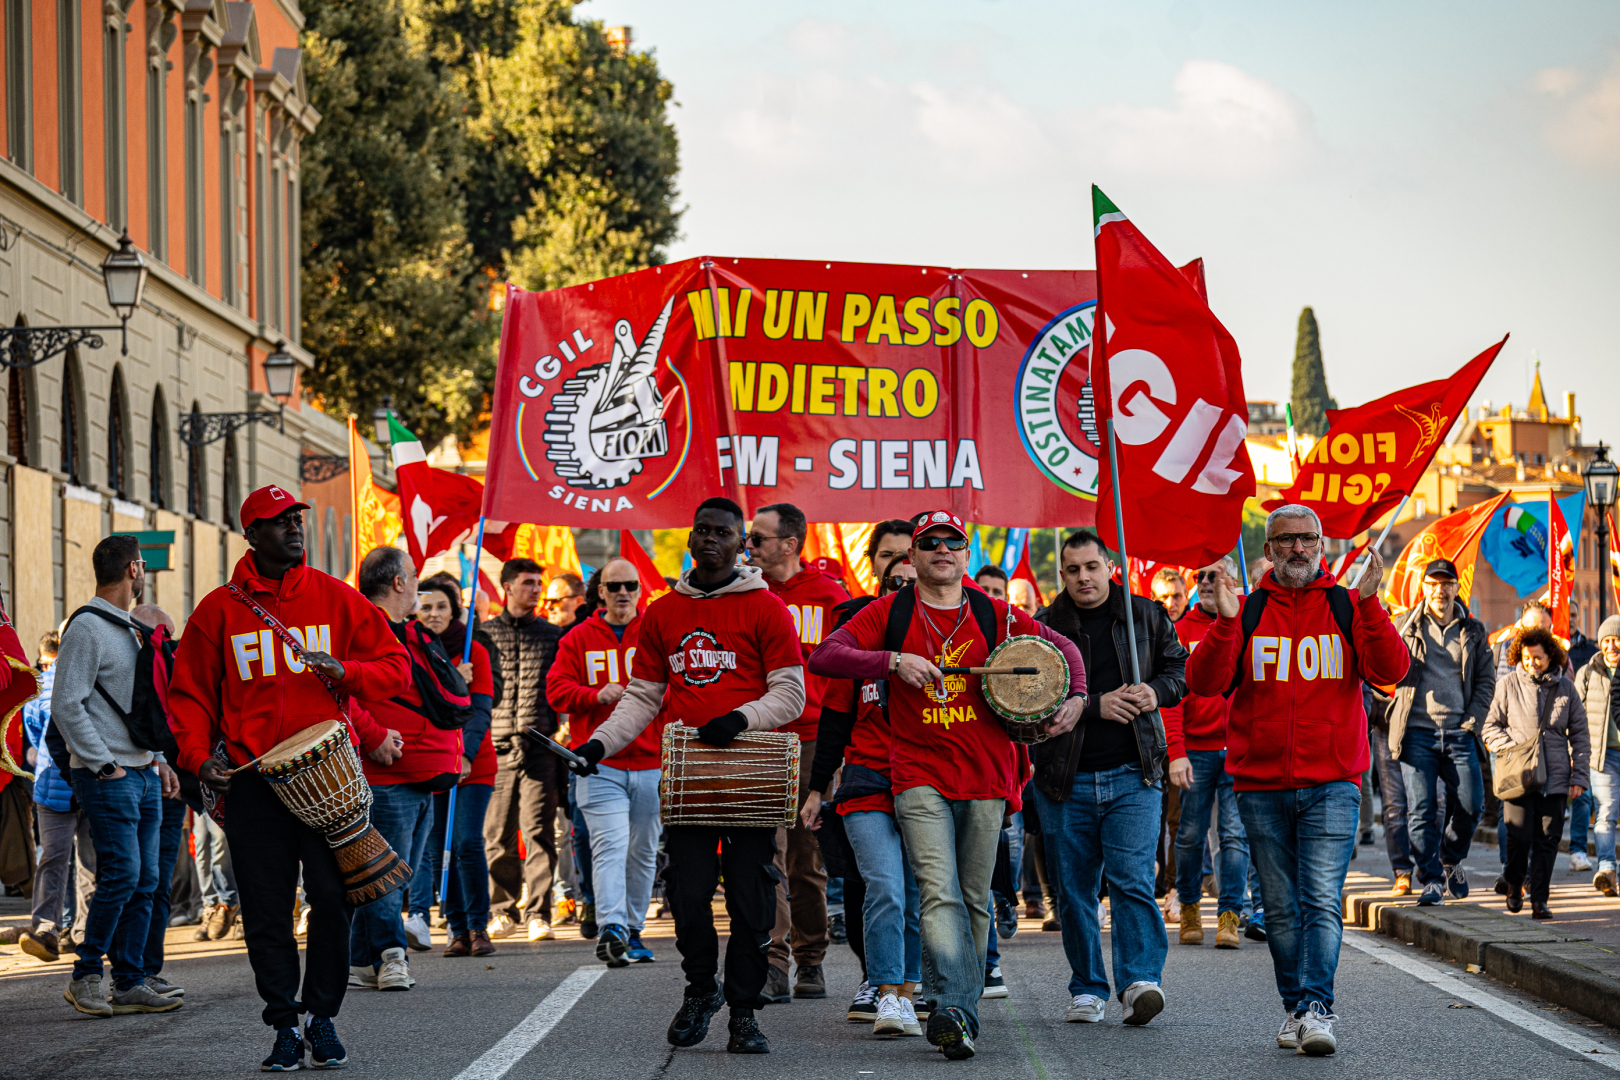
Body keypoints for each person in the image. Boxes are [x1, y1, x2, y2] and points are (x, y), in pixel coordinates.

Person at [810, 510, 1085, 1059]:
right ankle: (949, 1007)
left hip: (985, 774)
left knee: (974, 895)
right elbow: (825, 656)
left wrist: (1075, 698)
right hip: (917, 774)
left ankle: (961, 1005)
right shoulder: (890, 611)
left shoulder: (997, 613)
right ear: (911, 556)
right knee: (937, 891)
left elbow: (1066, 653)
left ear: (965, 554)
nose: (941, 549)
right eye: (928, 542)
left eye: (952, 542)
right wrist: (892, 661)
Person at [169, 485, 412, 1071]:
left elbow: (395, 667)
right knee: (266, 909)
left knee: (333, 898)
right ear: (251, 535)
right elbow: (190, 696)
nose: (294, 527)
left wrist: (347, 671)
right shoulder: (217, 612)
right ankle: (283, 1022)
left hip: (329, 779)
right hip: (254, 783)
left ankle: (322, 1017)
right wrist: (199, 757)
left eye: (296, 518)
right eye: (278, 521)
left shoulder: (336, 597)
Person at [570, 497, 807, 1055]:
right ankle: (702, 989)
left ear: (740, 543)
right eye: (701, 530)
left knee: (751, 903)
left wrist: (741, 718)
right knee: (688, 893)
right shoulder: (664, 612)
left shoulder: (766, 608)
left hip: (750, 778)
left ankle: (745, 1012)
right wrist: (598, 744)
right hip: (690, 783)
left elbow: (791, 693)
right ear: (690, 538)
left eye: (722, 532)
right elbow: (642, 698)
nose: (709, 539)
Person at [1187, 504, 1408, 1057]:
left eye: (1307, 539)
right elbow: (1205, 682)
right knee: (1281, 908)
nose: (1298, 550)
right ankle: (1296, 1008)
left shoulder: (1345, 603)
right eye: (1285, 541)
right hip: (1260, 785)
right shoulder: (1250, 610)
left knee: (1321, 900)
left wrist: (1372, 604)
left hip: (1334, 781)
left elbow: (1393, 671)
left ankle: (1316, 1008)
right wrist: (1225, 619)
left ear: (1321, 546)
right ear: (1268, 549)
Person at [1031, 530, 1186, 1027]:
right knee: (1074, 892)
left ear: (1110, 565)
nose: (1083, 578)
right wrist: (1095, 705)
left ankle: (1140, 981)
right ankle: (1087, 988)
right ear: (1062, 575)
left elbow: (1180, 673)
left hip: (1133, 774)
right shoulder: (1042, 627)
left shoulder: (1147, 614)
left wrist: (1156, 692)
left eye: (1091, 567)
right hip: (1064, 779)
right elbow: (1028, 703)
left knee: (1133, 881)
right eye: (1073, 570)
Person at [52, 535, 181, 1018]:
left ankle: (129, 982)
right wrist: (101, 762)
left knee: (146, 880)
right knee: (123, 875)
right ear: (134, 569)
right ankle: (86, 976)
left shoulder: (128, 627)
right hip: (108, 775)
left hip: (143, 771)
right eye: (142, 568)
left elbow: (138, 709)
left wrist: (158, 759)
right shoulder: (86, 627)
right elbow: (67, 702)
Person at [803, 552, 924, 1037]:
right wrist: (817, 788)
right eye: (894, 581)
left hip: (925, 783)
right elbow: (835, 721)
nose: (903, 590)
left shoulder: (948, 638)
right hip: (867, 780)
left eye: (912, 583)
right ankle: (884, 989)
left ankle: (910, 996)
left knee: (917, 896)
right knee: (886, 888)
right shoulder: (859, 640)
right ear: (880, 588)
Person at [348, 546, 465, 992]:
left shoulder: (409, 632)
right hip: (386, 776)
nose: (418, 582)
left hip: (421, 774)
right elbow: (342, 689)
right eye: (414, 575)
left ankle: (360, 962)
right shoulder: (363, 629)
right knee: (385, 876)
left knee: (397, 876)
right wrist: (374, 734)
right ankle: (392, 956)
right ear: (399, 582)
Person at [746, 501, 849, 1002]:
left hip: (811, 739)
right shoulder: (744, 592)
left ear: (789, 544)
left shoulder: (828, 595)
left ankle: (811, 960)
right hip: (760, 735)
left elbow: (848, 672)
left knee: (806, 858)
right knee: (768, 853)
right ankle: (773, 960)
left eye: (758, 538)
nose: (749, 545)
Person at [548, 557, 660, 967]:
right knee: (609, 845)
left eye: (631, 584)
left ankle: (632, 929)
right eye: (615, 586)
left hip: (652, 760)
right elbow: (556, 691)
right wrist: (594, 695)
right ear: (601, 592)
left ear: (639, 589)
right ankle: (614, 926)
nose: (624, 592)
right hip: (599, 764)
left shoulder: (655, 631)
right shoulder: (577, 638)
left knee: (644, 850)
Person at [1383, 559, 1495, 906]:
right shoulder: (1405, 626)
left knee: (1472, 804)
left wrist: (1473, 719)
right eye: (1433, 583)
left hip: (1460, 731)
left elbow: (1486, 682)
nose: (1440, 591)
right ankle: (1431, 879)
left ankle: (1450, 857)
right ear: (1424, 587)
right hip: (1416, 732)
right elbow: (1383, 667)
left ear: (1455, 588)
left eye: (1446, 584)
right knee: (1421, 810)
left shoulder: (1474, 631)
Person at [410, 572, 500, 958]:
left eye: (441, 606)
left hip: (472, 763)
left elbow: (480, 710)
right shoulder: (412, 650)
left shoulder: (473, 649)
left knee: (465, 842)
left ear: (454, 609)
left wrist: (466, 754)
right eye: (426, 606)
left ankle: (479, 925)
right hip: (432, 760)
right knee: (436, 847)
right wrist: (449, 683)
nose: (433, 614)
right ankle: (457, 928)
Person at [482, 558, 567, 941]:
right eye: (528, 582)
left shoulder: (553, 635)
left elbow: (563, 685)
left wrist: (563, 726)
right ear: (508, 587)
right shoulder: (483, 635)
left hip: (540, 746)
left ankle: (538, 913)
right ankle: (501, 910)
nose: (536, 589)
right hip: (496, 746)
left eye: (538, 582)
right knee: (497, 833)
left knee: (539, 832)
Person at [1166, 558, 1249, 951]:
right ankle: (1190, 906)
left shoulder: (1251, 620)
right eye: (1200, 576)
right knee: (1190, 835)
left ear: (1233, 580)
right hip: (1196, 752)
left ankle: (1230, 916)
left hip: (1238, 750)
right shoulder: (1180, 631)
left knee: (1234, 835)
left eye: (1216, 575)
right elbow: (1171, 698)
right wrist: (1176, 750)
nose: (1207, 582)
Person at [1483, 626, 1588, 919]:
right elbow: (1490, 728)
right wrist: (1514, 747)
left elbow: (1580, 734)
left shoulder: (1566, 688)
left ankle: (1539, 899)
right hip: (1519, 775)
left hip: (1555, 778)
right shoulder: (1507, 685)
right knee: (1518, 837)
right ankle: (1515, 883)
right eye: (1527, 658)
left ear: (1550, 655)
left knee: (1548, 839)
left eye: (1538, 658)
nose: (1532, 663)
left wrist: (1579, 777)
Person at [128, 602, 189, 998]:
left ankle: (148, 970)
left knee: (159, 881)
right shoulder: (126, 667)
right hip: (131, 785)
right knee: (134, 881)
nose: (166, 645)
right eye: (159, 637)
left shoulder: (173, 665)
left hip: (171, 792)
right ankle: (127, 971)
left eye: (169, 637)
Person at [16, 631, 75, 963]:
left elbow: (35, 739)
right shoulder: (90, 677)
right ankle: (82, 932)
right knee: (91, 864)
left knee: (53, 858)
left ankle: (46, 928)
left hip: (50, 782)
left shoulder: (39, 688)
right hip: (90, 779)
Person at [1577, 617, 1620, 896]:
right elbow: (1575, 715)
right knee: (1605, 814)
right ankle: (1606, 868)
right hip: (1603, 757)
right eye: (1606, 639)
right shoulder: (1588, 672)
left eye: (1617, 639)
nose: (1611, 645)